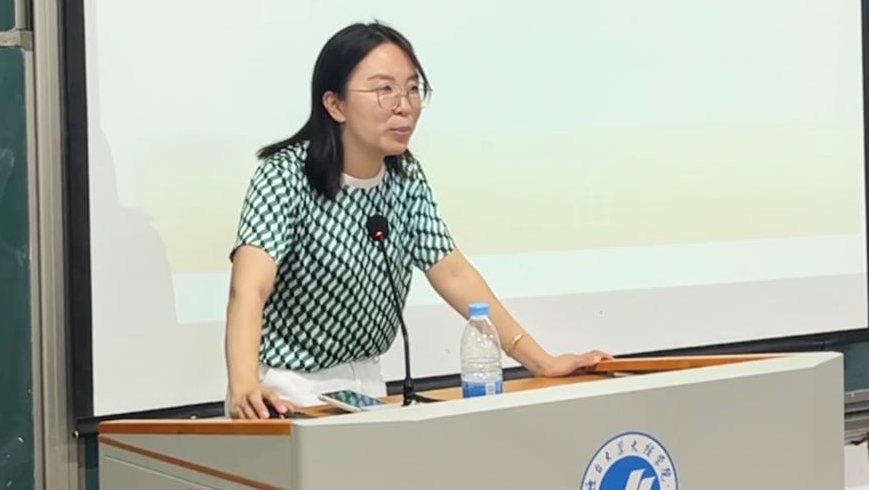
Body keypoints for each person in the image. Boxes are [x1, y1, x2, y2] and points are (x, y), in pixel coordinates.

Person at [225, 21, 611, 419]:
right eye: (384, 90)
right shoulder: (285, 175)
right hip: (284, 391)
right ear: (335, 104)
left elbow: (453, 273)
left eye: (412, 89)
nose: (404, 105)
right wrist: (244, 387)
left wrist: (541, 361)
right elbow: (249, 288)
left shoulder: (405, 177)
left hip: (367, 388)